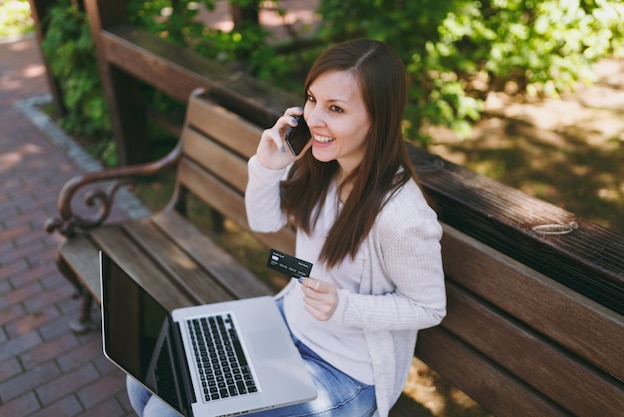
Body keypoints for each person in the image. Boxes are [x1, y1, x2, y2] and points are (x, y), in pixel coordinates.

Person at [127, 39, 446, 417]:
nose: (314, 119)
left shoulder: (402, 217)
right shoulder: (323, 165)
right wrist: (267, 167)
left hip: (343, 372)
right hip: (286, 325)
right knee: (144, 375)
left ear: (378, 119)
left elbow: (429, 308)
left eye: (336, 109)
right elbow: (264, 222)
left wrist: (345, 306)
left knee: (164, 412)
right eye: (312, 100)